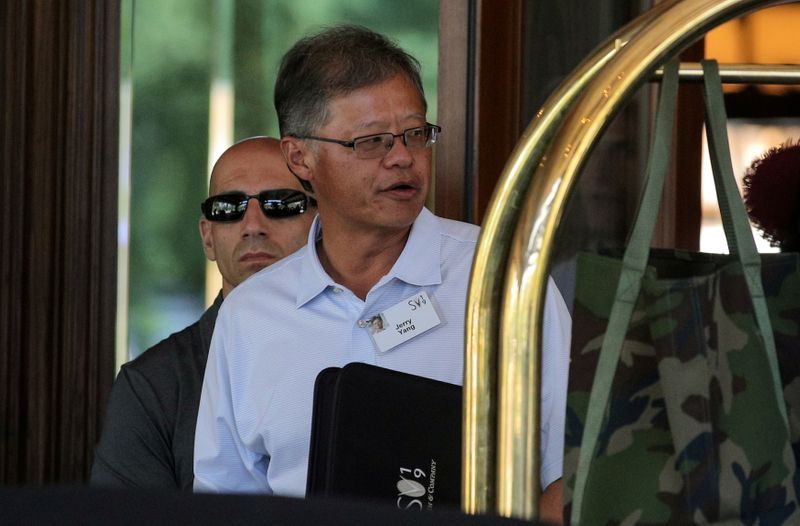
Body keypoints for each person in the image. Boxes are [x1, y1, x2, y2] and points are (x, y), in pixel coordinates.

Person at [193, 25, 570, 521]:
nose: (402, 158)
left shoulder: (504, 280)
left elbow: (571, 470)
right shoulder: (249, 314)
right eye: (371, 142)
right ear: (299, 157)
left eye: (416, 134)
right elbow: (223, 497)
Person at [90, 136, 316, 490]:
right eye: (228, 208)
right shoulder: (154, 386)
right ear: (208, 237)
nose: (253, 224)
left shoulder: (357, 347)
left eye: (280, 204)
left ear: (322, 224)